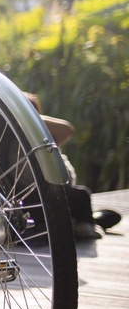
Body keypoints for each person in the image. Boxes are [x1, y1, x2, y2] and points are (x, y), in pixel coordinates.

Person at [24, 93, 121, 240]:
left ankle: (80, 222)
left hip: (53, 197)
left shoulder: (45, 140)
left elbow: (67, 129)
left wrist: (25, 116)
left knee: (84, 197)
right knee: (81, 196)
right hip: (30, 200)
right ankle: (80, 223)